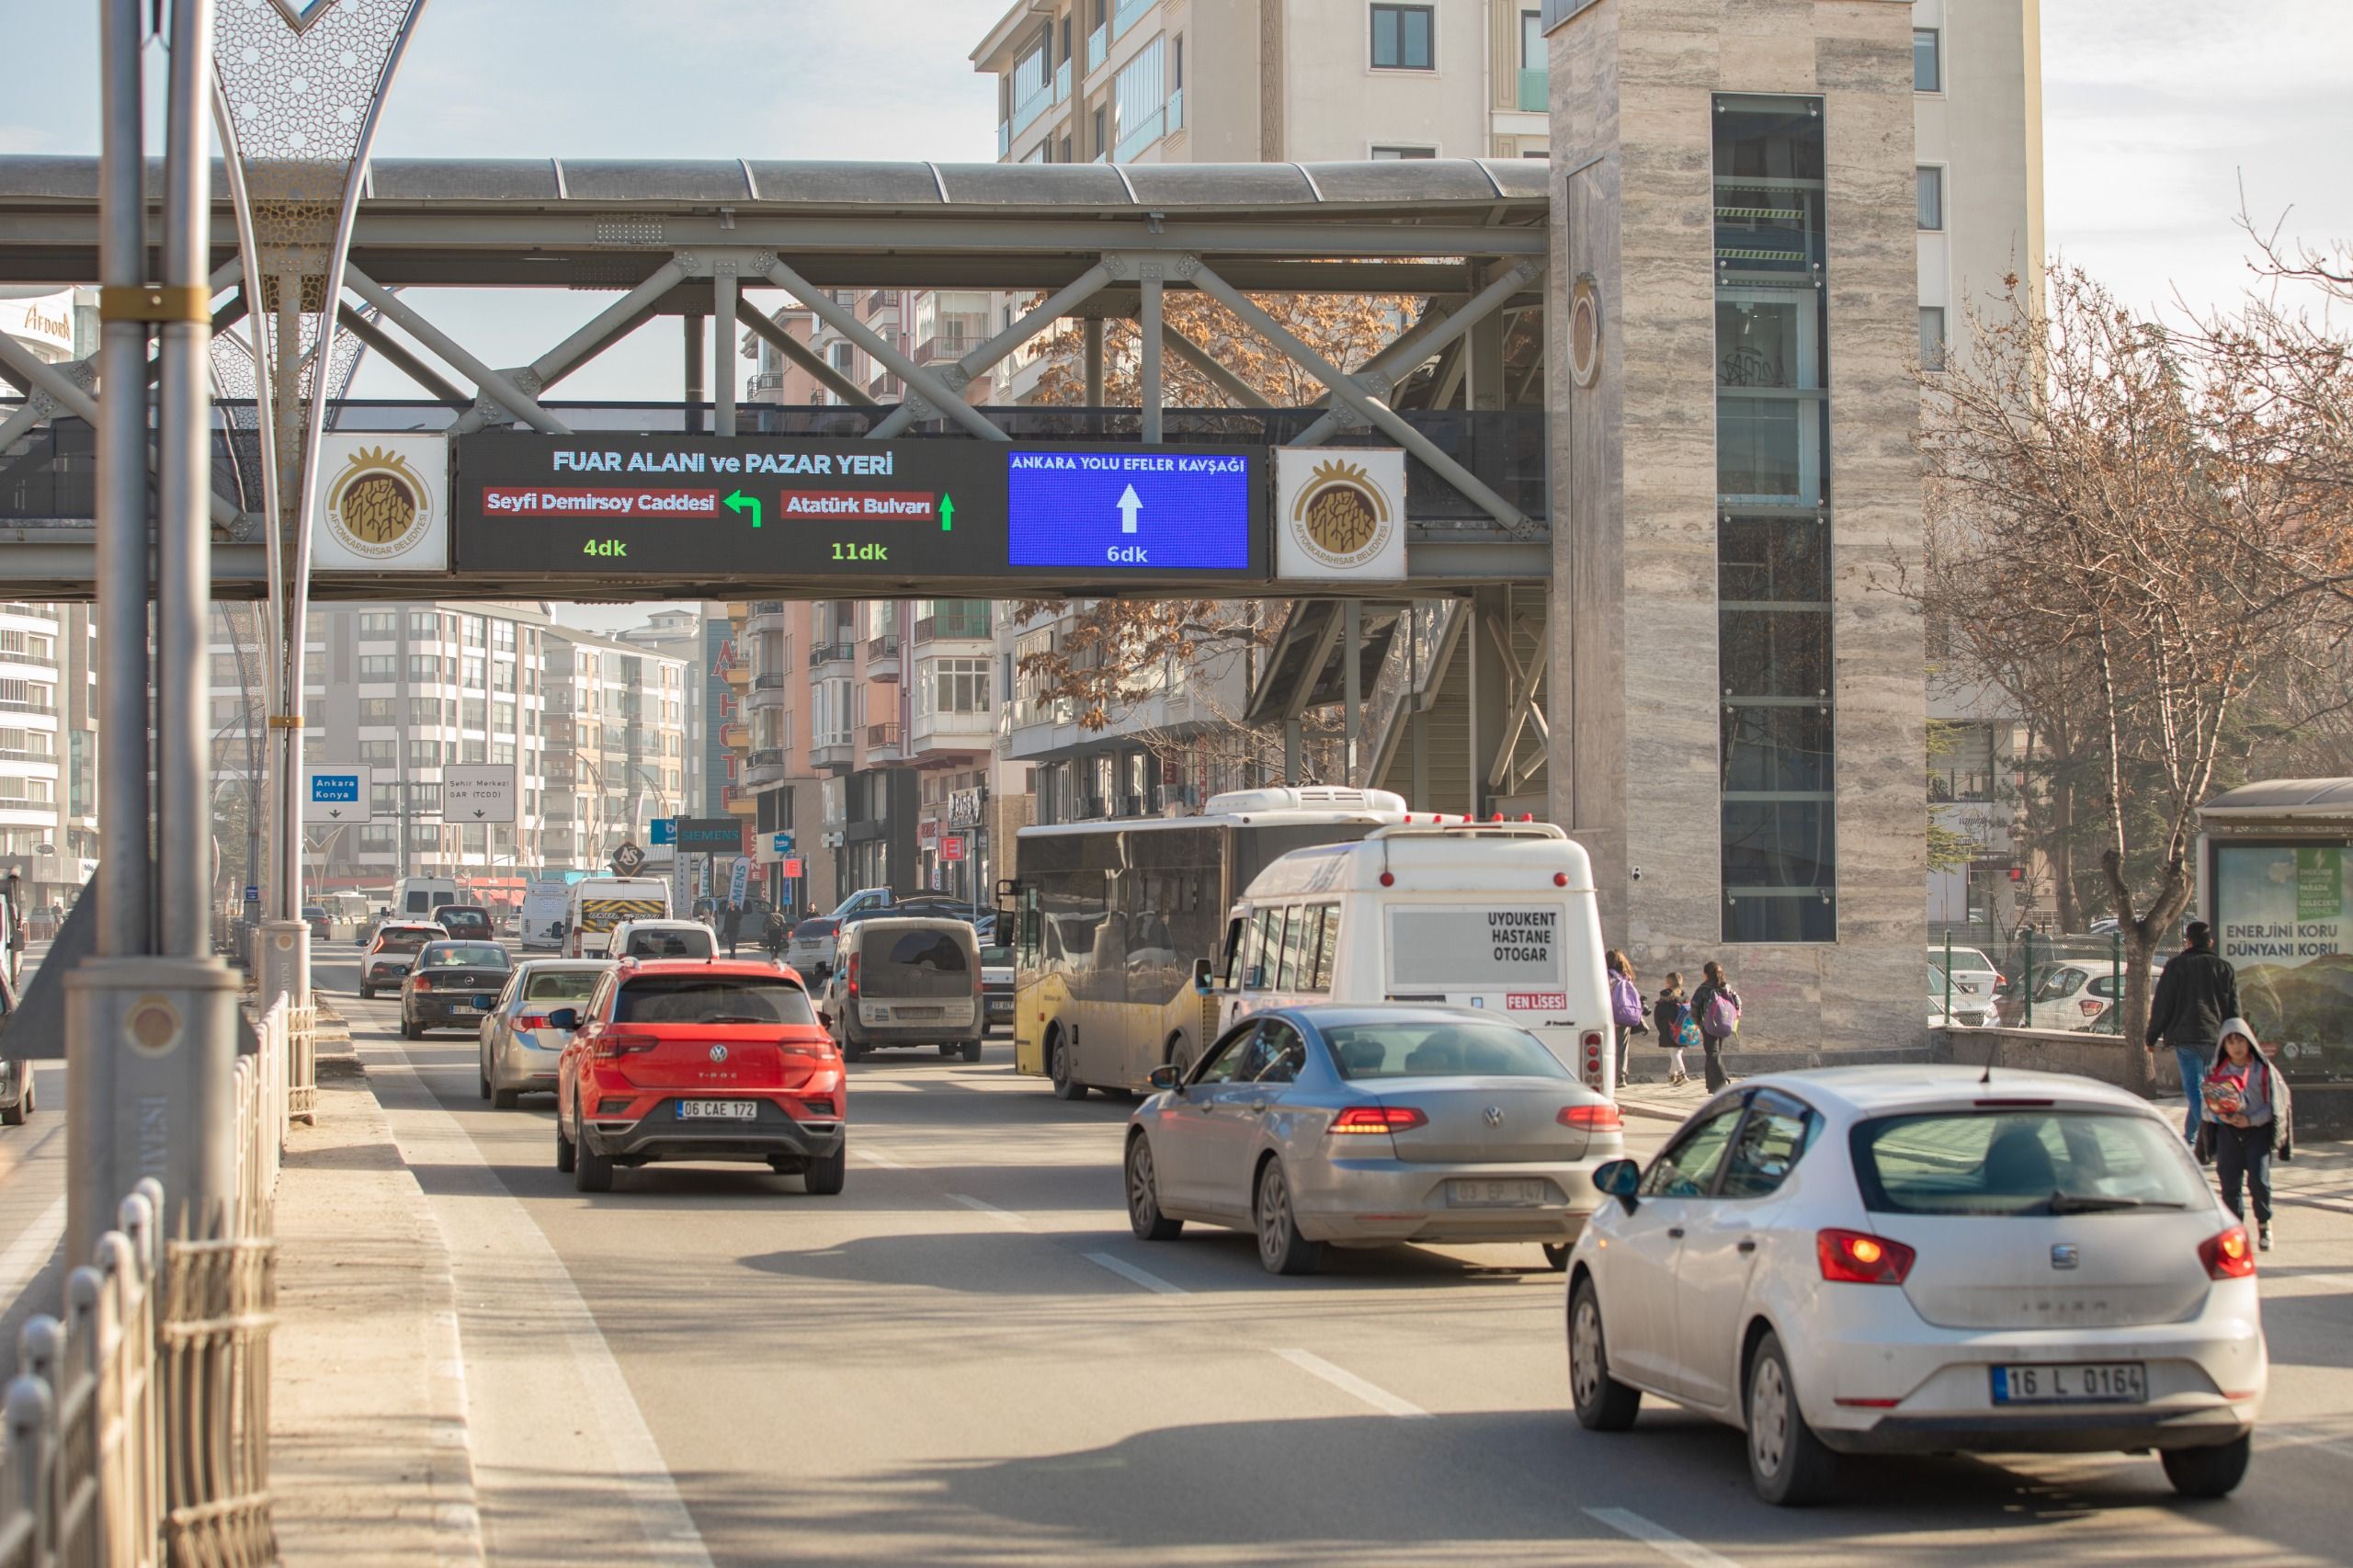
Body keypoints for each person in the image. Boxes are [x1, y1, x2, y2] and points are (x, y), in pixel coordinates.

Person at [2195, 1017, 2292, 1251]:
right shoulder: (2215, 1072)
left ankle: (2264, 1224)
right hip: (2228, 1133)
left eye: (2241, 1040)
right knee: (2230, 1184)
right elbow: (2206, 1109)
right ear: (2223, 1046)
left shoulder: (2263, 1071)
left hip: (2257, 1133)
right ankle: (2234, 1232)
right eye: (2231, 1042)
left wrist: (2250, 1119)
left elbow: (2275, 1107)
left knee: (2259, 1180)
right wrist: (2222, 1117)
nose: (2236, 1046)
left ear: (2249, 1042)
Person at [2146, 920, 2239, 1146]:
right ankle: (2191, 1138)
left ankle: (2216, 1135)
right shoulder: (2224, 967)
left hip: (2187, 1037)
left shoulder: (2176, 966)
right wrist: (2235, 1041)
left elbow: (2162, 1005)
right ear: (2210, 942)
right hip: (2216, 1037)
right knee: (2211, 1088)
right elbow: (2234, 1008)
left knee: (2195, 1088)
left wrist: (2151, 1037)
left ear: (2187, 941)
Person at [1688, 960, 1741, 1093]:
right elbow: (1737, 1001)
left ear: (1706, 974)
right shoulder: (1726, 987)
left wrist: (1699, 1024)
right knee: (1713, 1054)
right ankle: (1712, 1086)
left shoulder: (1704, 988)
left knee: (1712, 1054)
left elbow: (1694, 1008)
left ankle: (1723, 1081)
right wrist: (1734, 1017)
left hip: (1709, 1025)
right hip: (1724, 1023)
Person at [1605, 949, 1646, 1089]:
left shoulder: (1606, 976)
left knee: (1606, 1046)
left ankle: (1609, 1075)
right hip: (1624, 1015)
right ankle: (1621, 1077)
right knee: (1622, 1047)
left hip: (1608, 1016)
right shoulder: (1625, 977)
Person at [1654, 971, 1694, 1087]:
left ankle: (1682, 1074)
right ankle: (1672, 1074)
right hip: (1684, 1030)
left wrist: (1662, 1029)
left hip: (1669, 1030)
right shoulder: (1685, 999)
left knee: (1674, 1053)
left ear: (1667, 984)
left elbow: (1658, 1017)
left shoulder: (1664, 1000)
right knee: (1677, 1052)